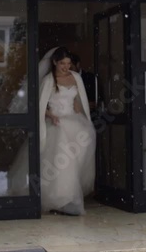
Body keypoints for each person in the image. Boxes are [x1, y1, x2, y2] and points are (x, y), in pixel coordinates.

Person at [8, 47, 96, 216]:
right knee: (63, 159)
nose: (66, 67)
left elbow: (78, 99)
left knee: (79, 150)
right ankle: (63, 198)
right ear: (55, 62)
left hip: (74, 120)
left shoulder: (76, 77)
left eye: (69, 63)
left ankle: (70, 195)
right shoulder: (49, 80)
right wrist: (51, 115)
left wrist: (79, 108)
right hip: (57, 121)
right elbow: (40, 104)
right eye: (62, 63)